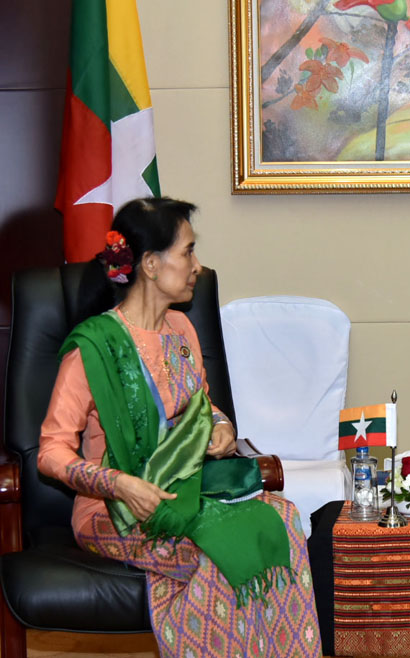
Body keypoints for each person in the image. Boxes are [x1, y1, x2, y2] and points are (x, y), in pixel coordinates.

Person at [38, 197, 322, 658]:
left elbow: (204, 406)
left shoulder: (182, 330)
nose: (197, 265)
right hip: (113, 510)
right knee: (220, 550)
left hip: (190, 489)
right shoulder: (94, 349)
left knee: (283, 518)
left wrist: (222, 426)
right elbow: (50, 451)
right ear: (150, 264)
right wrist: (120, 484)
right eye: (187, 251)